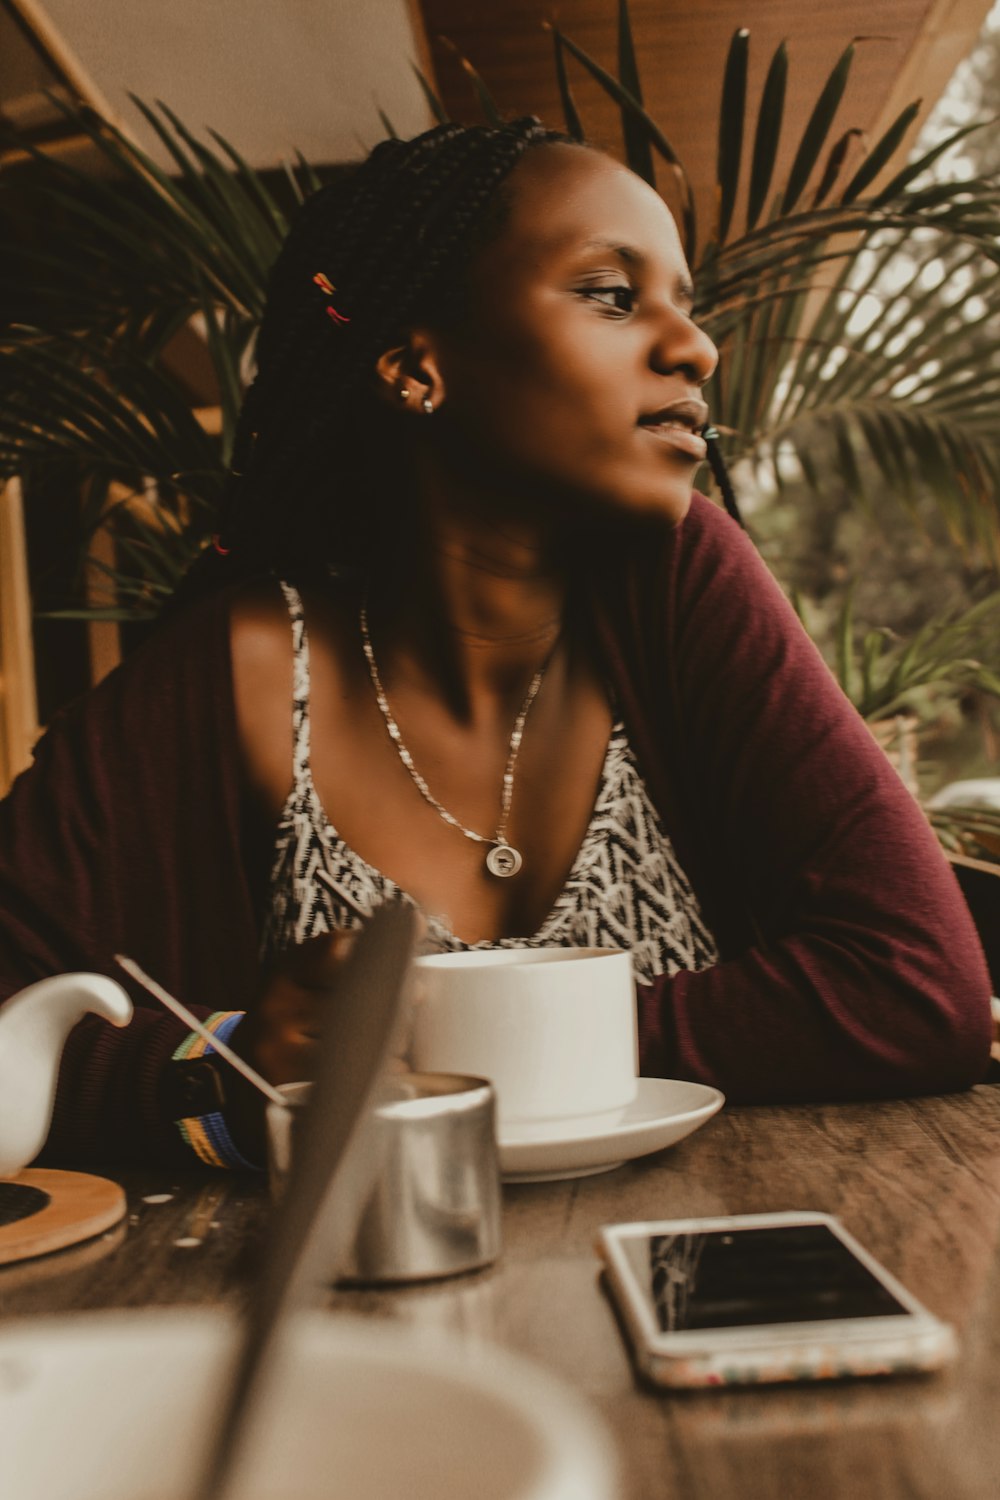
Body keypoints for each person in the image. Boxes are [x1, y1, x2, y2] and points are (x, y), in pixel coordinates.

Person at [0, 119, 991, 1170]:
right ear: (416, 366)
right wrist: (227, 1069)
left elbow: (915, 988)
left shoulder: (673, 580)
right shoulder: (242, 666)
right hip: (350, 1309)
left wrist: (437, 1049)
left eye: (684, 306)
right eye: (611, 293)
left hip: (708, 1269)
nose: (696, 347)